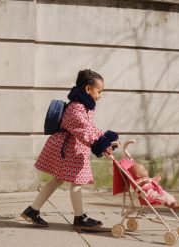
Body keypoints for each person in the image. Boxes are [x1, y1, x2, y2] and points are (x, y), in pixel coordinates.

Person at [21, 69, 119, 231]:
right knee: (77, 181)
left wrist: (105, 138)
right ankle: (79, 218)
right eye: (99, 91)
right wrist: (101, 144)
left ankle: (32, 210)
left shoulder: (84, 107)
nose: (100, 96)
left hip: (71, 148)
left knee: (57, 180)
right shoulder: (76, 108)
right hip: (67, 149)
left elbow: (90, 128)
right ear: (88, 89)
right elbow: (83, 130)